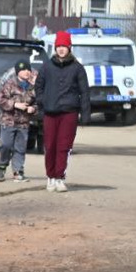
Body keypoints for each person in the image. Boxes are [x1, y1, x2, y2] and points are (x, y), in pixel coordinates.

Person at [34, 31, 91, 193]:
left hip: (69, 113)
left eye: (64, 46)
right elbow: (38, 86)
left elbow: (85, 92)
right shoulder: (47, 67)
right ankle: (50, 177)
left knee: (63, 146)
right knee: (50, 145)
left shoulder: (77, 68)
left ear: (69, 48)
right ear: (55, 48)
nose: (61, 49)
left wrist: (85, 114)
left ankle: (60, 177)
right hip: (50, 112)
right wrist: (42, 101)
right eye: (58, 46)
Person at [0, 59, 38, 182]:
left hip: (24, 122)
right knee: (6, 145)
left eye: (28, 70)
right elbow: (1, 99)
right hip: (8, 121)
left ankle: (18, 171)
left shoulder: (33, 87)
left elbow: (39, 103)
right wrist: (15, 104)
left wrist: (33, 109)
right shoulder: (10, 84)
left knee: (20, 148)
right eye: (23, 70)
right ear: (17, 72)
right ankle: (2, 167)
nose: (26, 72)